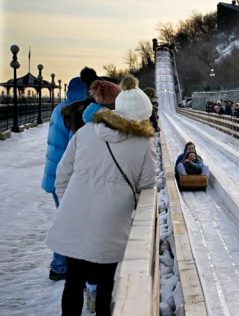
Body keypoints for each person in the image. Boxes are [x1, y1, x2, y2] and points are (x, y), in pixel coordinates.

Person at [47, 75, 156, 315]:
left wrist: (71, 205)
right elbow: (148, 186)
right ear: (144, 114)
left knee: (73, 281)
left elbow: (61, 176)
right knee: (106, 285)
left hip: (74, 220)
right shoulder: (143, 144)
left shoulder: (86, 132)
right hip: (112, 224)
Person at [41, 68, 93, 281]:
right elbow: (76, 147)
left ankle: (60, 266)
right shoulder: (75, 113)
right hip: (67, 176)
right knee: (71, 222)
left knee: (65, 220)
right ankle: (61, 266)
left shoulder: (59, 109)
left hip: (53, 175)